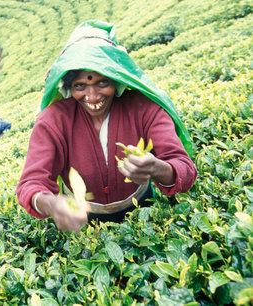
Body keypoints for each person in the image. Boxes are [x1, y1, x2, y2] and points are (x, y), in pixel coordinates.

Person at [16, 20, 197, 231]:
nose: (92, 96)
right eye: (80, 86)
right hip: (84, 222)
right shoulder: (53, 121)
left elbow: (185, 168)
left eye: (102, 82)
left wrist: (158, 168)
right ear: (68, 87)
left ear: (116, 79)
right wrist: (51, 203)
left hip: (144, 211)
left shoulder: (144, 108)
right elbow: (31, 183)